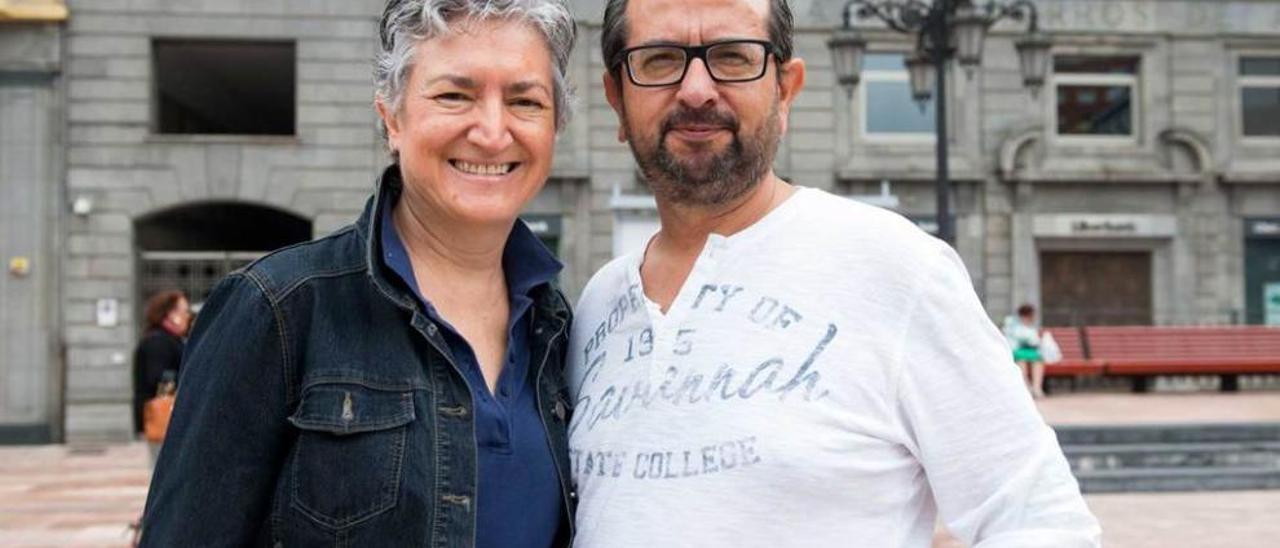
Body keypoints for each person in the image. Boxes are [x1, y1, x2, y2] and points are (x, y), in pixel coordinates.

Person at [565, 0, 1101, 546]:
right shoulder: (598, 302)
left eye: (732, 56)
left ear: (786, 90)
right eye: (658, 60)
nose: (697, 89)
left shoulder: (897, 268)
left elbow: (1041, 522)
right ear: (617, 98)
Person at [140, 1, 578, 546]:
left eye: (525, 101)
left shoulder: (559, 326)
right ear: (391, 119)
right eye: (454, 95)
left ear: (555, 124)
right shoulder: (277, 309)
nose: (492, 131)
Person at [131, 289, 191, 465]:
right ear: (171, 314)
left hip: (167, 419)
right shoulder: (158, 342)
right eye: (184, 311)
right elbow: (159, 378)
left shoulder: (172, 340)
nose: (188, 316)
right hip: (163, 418)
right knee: (164, 470)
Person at [1004, 303, 1047, 398]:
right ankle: (1026, 388)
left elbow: (1035, 341)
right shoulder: (1012, 324)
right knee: (1021, 361)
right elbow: (1014, 339)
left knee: (1038, 360)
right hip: (1017, 351)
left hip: (1030, 351)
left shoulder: (1032, 326)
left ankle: (1036, 388)